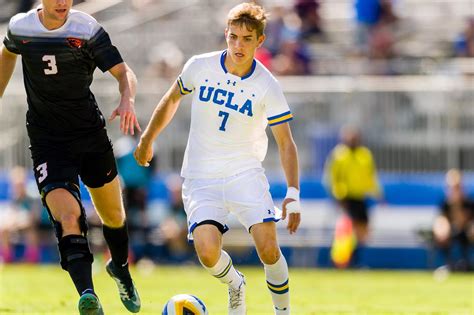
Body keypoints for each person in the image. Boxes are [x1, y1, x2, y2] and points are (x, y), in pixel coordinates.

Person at [134, 3, 301, 314]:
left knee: (268, 249)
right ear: (226, 34)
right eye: (233, 36)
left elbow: (286, 142)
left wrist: (293, 193)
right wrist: (147, 139)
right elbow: (172, 100)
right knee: (208, 253)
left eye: (247, 38)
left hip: (244, 173)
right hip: (201, 177)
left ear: (260, 41)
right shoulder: (200, 66)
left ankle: (283, 312)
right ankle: (235, 283)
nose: (238, 45)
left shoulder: (267, 85)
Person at [0, 1, 141, 314]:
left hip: (89, 136)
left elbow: (123, 72)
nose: (63, 2)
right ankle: (87, 295)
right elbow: (8, 52)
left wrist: (127, 99)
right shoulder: (21, 27)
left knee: (114, 217)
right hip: (48, 141)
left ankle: (119, 268)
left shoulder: (86, 29)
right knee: (68, 217)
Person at [324, 125, 382, 267]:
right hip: (346, 198)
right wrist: (337, 195)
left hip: (361, 197)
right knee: (347, 231)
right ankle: (343, 261)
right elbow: (332, 177)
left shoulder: (365, 154)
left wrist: (378, 194)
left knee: (363, 233)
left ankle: (354, 259)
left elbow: (370, 176)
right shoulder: (339, 155)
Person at [433, 169, 474, 271]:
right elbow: (440, 220)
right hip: (451, 233)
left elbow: (466, 223)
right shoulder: (445, 204)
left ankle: (466, 263)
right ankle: (449, 263)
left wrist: (457, 206)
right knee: (443, 233)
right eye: (451, 187)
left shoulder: (468, 203)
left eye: (457, 187)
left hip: (466, 233)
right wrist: (442, 228)